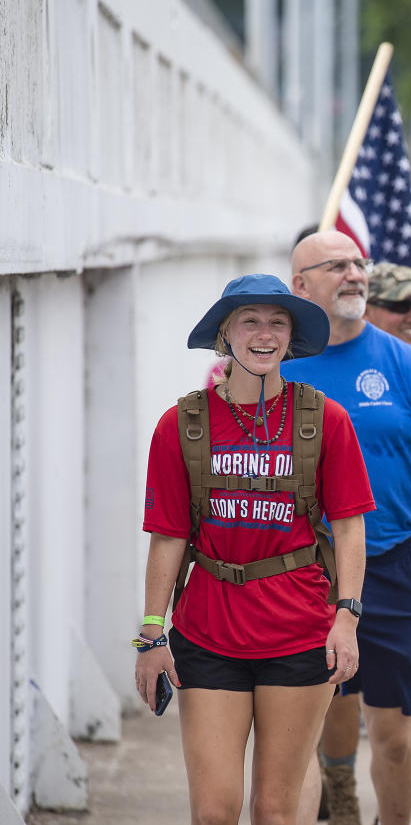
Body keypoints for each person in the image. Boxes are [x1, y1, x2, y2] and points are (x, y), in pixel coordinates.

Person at [137, 274, 372, 824]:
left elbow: (351, 528)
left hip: (299, 632)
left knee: (274, 810)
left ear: (292, 338)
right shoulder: (182, 425)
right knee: (215, 810)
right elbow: (168, 535)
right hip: (207, 633)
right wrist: (151, 633)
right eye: (250, 321)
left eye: (277, 323)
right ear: (225, 334)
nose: (264, 335)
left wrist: (348, 617)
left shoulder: (325, 421)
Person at [284, 231, 411, 825]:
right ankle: (333, 799)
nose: (354, 275)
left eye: (358, 263)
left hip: (395, 563)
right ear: (301, 285)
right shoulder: (276, 364)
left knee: (394, 733)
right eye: (337, 266)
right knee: (303, 723)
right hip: (300, 568)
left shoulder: (410, 367)